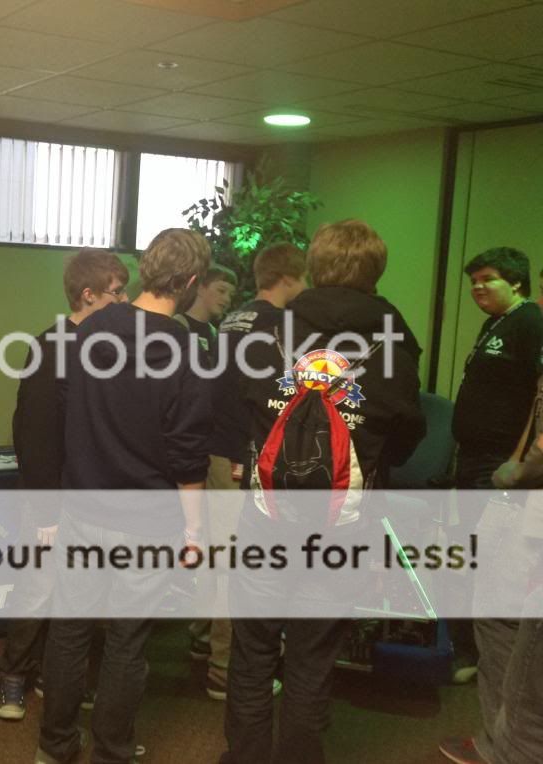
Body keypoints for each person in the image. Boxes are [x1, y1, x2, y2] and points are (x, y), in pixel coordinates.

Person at [223, 220, 425, 764]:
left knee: (253, 652)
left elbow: (242, 405)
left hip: (267, 516)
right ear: (376, 271)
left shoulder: (271, 330)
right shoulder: (394, 340)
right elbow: (407, 435)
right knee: (312, 659)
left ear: (313, 268)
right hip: (343, 525)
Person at [36, 228, 213, 764]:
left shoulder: (90, 329)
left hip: (83, 506)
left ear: (146, 268)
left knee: (69, 632)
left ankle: (55, 747)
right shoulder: (186, 349)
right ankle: (111, 751)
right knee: (126, 641)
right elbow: (188, 455)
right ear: (190, 281)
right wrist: (194, 530)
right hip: (148, 518)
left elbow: (66, 411)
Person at [0, 248, 130, 721]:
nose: (125, 300)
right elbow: (33, 434)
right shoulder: (50, 347)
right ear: (88, 295)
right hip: (50, 493)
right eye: (117, 292)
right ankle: (13, 674)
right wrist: (46, 509)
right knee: (38, 586)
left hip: (91, 493)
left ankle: (57, 676)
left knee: (83, 591)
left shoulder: (109, 349)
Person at [192, 243, 308, 700]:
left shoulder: (233, 319)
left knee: (217, 551)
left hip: (216, 450)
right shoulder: (280, 326)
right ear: (290, 278)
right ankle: (224, 669)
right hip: (243, 454)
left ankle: (205, 639)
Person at [450, 247, 543, 680]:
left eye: (488, 279)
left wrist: (516, 459)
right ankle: (471, 652)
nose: (478, 288)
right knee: (469, 553)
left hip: (498, 463)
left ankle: (492, 665)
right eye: (473, 281)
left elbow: (536, 400)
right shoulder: (495, 323)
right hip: (472, 458)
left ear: (516, 282)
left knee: (488, 561)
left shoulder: (530, 323)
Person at [439, 381, 543, 764]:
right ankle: (498, 739)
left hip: (528, 506)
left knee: (506, 626)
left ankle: (503, 745)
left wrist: (513, 474)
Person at [180, 264, 237, 366]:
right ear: (201, 289)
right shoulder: (178, 325)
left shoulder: (214, 333)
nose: (227, 299)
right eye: (221, 291)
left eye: (231, 295)